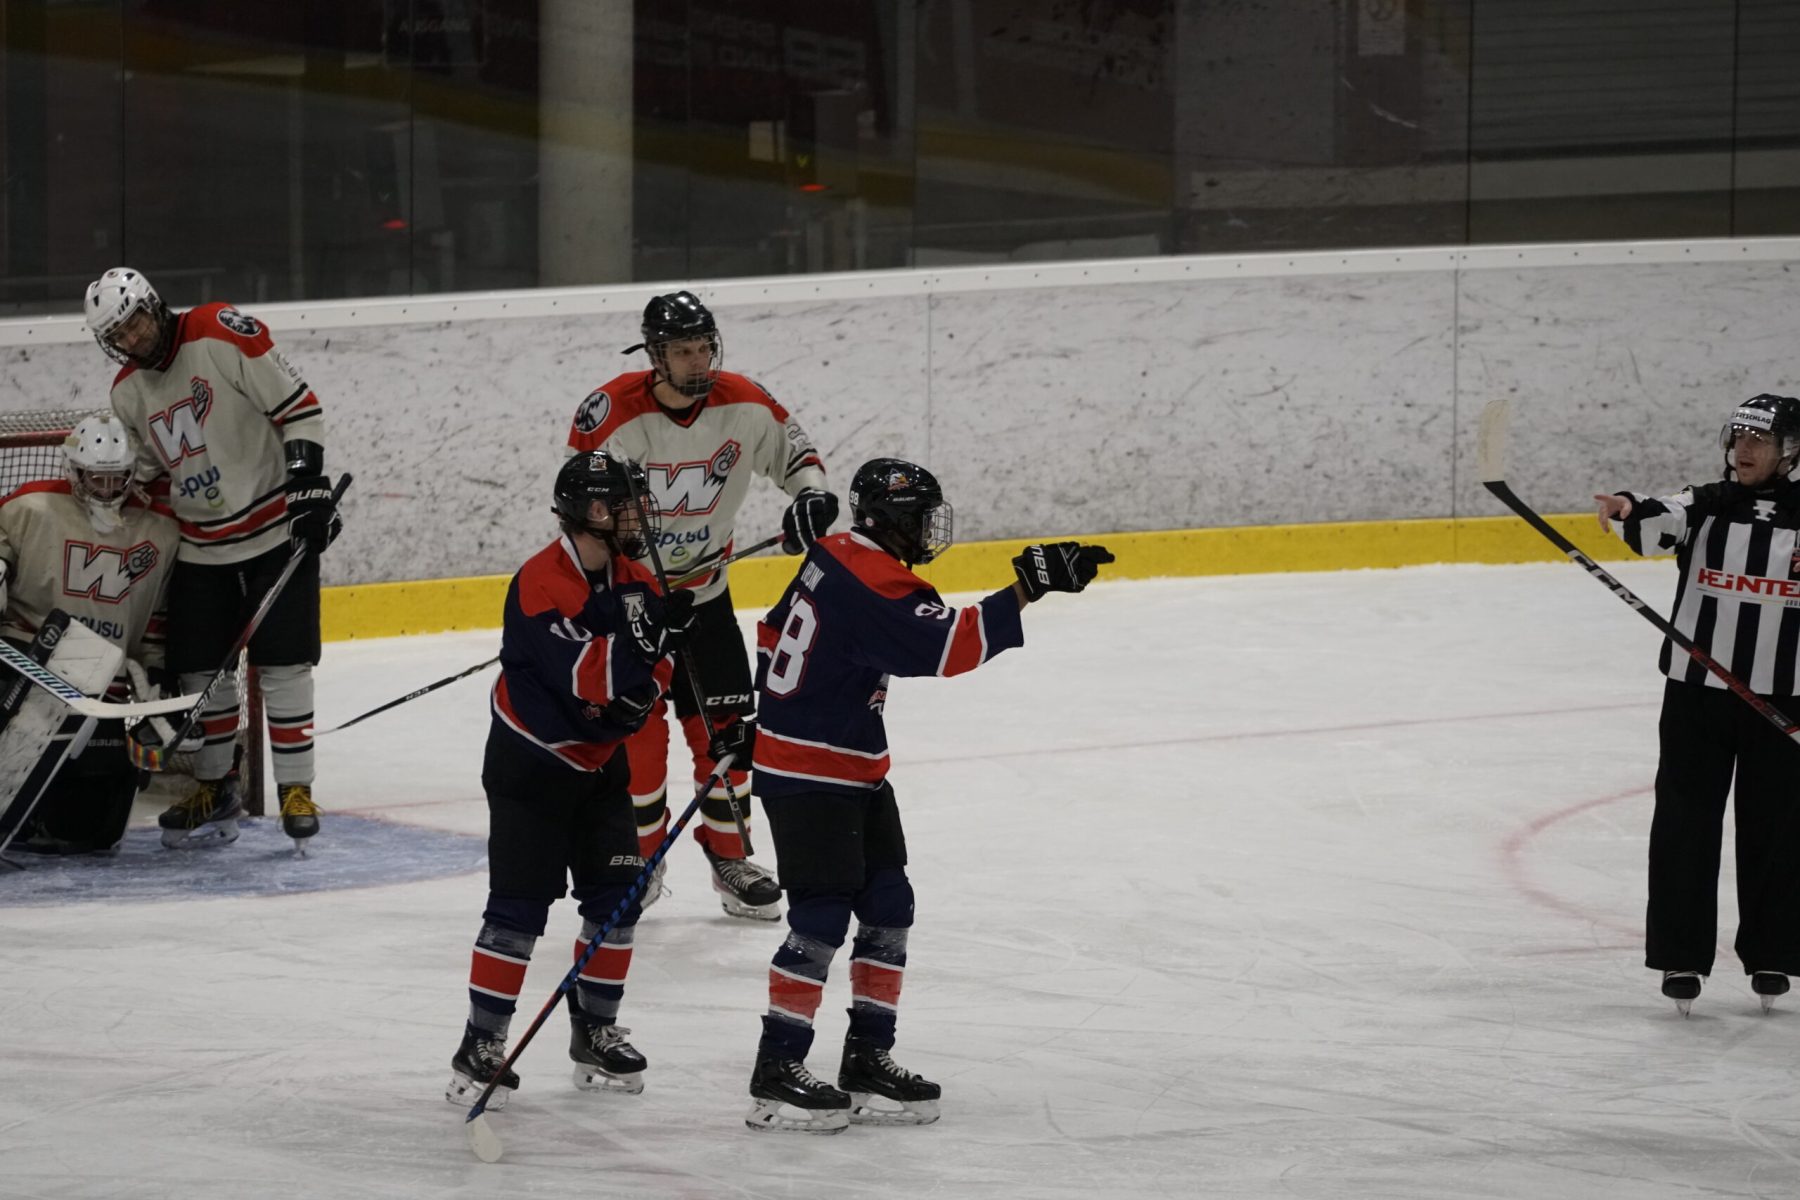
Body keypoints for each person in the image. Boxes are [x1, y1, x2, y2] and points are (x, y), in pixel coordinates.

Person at [741, 457, 1113, 1132]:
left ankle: (866, 1057)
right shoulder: (872, 578)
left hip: (850, 763)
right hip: (809, 770)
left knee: (889, 903)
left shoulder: (835, 551)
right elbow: (952, 647)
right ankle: (778, 1067)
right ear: (887, 520)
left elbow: (771, 630)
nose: (927, 531)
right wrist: (1028, 587)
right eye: (917, 518)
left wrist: (765, 711)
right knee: (822, 915)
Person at [566, 289, 837, 920]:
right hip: (633, 602)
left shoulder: (744, 402)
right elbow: (588, 512)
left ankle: (730, 857)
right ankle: (639, 860)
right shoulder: (612, 414)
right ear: (655, 356)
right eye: (682, 350)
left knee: (728, 732)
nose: (697, 361)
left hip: (706, 597)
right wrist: (629, 593)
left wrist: (811, 497)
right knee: (637, 739)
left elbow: (798, 458)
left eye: (703, 348)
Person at [445, 449, 702, 1109]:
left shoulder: (636, 578)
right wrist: (641, 653)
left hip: (600, 764)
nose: (637, 515)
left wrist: (648, 683)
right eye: (624, 505)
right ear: (590, 511)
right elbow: (589, 673)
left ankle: (595, 1031)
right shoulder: (541, 581)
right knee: (518, 912)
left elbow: (658, 667)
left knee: (618, 902)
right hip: (532, 764)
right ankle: (481, 1041)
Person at [83, 267, 340, 851]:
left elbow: (299, 408)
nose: (132, 339)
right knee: (201, 672)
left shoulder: (217, 330)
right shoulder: (127, 392)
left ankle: (296, 789)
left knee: (284, 666)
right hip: (199, 545)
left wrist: (307, 487)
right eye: (117, 335)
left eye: (134, 322)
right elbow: (150, 477)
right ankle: (215, 786)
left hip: (273, 532)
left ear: (154, 306)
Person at [1595, 393, 1800, 1016]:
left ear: (1790, 451)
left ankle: (1772, 951)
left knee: (1778, 830)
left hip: (1785, 701)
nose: (1744, 449)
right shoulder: (1706, 503)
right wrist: (1628, 506)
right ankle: (1681, 955)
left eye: (1759, 440)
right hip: (1696, 696)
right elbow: (1660, 515)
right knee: (1685, 823)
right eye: (1739, 437)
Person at [0, 413, 179, 854]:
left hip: (102, 683)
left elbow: (156, 620)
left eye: (117, 478)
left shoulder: (160, 529)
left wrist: (157, 674)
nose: (107, 489)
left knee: (89, 831)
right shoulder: (29, 506)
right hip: (27, 662)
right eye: (96, 477)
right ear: (74, 471)